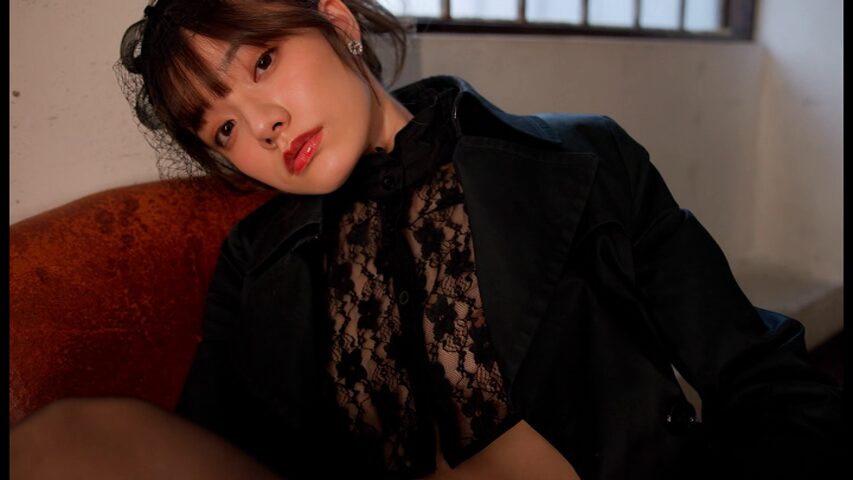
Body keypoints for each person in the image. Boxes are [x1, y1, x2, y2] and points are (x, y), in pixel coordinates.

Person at [10, 1, 843, 479]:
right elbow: (217, 450)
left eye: (261, 63)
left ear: (336, 21)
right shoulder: (255, 261)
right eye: (222, 129)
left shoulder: (583, 159)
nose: (260, 125)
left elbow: (760, 376)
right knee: (61, 440)